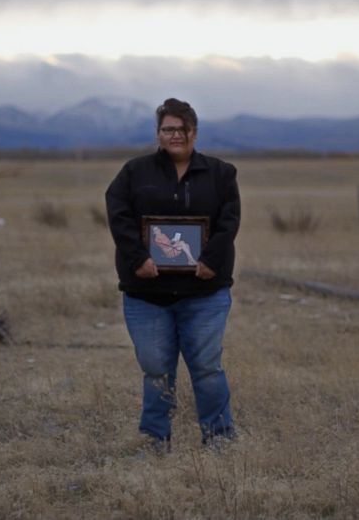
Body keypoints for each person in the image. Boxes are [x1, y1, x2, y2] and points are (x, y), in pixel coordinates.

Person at [105, 98, 240, 452]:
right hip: (147, 293)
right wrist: (137, 259)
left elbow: (229, 222)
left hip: (204, 293)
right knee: (155, 369)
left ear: (194, 132)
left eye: (182, 129)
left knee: (208, 369)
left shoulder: (221, 174)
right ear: (158, 133)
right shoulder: (135, 173)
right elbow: (118, 216)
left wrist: (211, 259)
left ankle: (219, 439)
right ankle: (155, 440)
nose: (175, 135)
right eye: (168, 129)